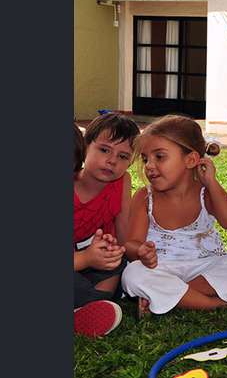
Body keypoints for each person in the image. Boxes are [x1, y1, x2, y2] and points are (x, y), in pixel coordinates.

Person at [121, 115, 227, 317]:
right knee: (133, 274)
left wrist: (212, 183)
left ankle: (173, 297)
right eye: (145, 159)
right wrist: (141, 251)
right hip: (162, 268)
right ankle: (219, 304)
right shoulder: (145, 197)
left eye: (159, 157)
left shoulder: (205, 193)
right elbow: (131, 243)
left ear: (191, 160)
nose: (149, 166)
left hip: (204, 267)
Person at [73, 114, 140, 337]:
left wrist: (112, 249)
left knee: (117, 261)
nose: (112, 160)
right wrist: (87, 258)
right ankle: (89, 307)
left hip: (87, 260)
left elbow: (124, 235)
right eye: (104, 150)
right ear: (85, 146)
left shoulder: (122, 182)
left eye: (123, 156)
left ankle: (88, 306)